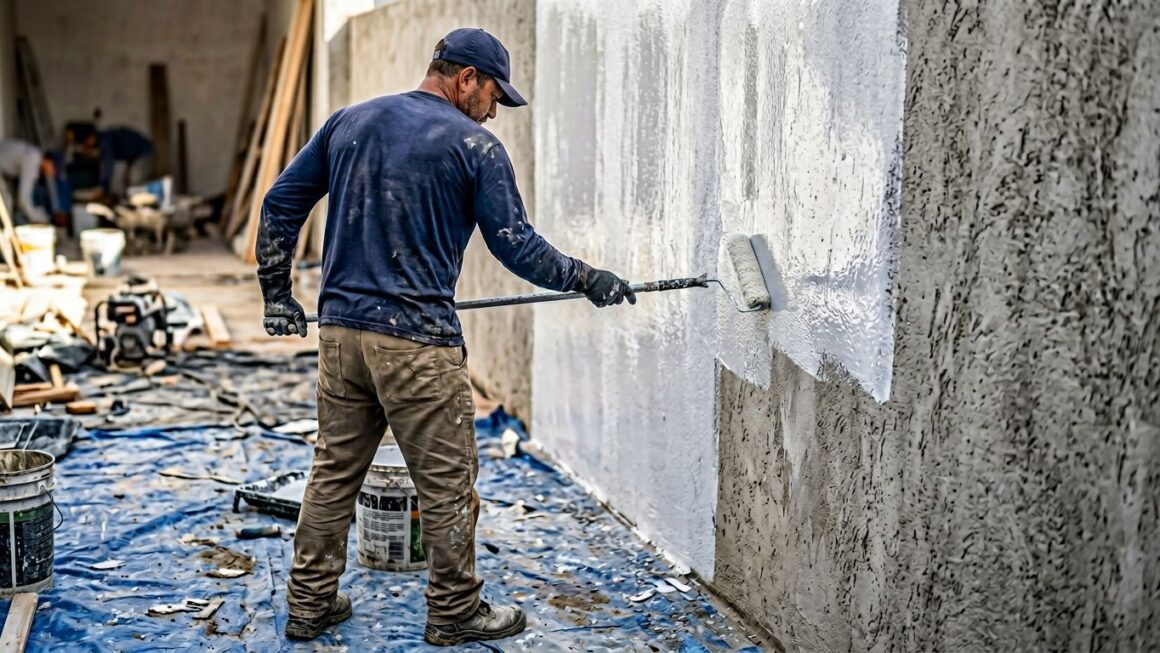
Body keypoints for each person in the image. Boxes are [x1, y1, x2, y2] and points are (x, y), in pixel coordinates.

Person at [257, 28, 635, 645]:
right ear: (466, 79)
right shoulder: (473, 145)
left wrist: (278, 295)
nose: (494, 112)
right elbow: (517, 247)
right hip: (417, 347)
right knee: (447, 482)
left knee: (332, 473)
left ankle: (308, 604)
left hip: (341, 338)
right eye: (493, 96)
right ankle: (454, 611)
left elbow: (279, 204)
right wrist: (587, 278)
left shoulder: (349, 123)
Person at [87, 126, 153, 196]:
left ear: (92, 136)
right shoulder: (104, 139)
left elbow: (108, 166)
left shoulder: (106, 141)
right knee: (126, 181)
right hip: (132, 156)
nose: (87, 143)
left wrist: (103, 187)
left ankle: (139, 202)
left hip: (143, 151)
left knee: (135, 180)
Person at [0, 139, 51, 224]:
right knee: (6, 203)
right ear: (49, 161)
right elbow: (23, 199)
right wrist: (37, 218)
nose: (52, 174)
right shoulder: (32, 160)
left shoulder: (35, 154)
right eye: (54, 169)